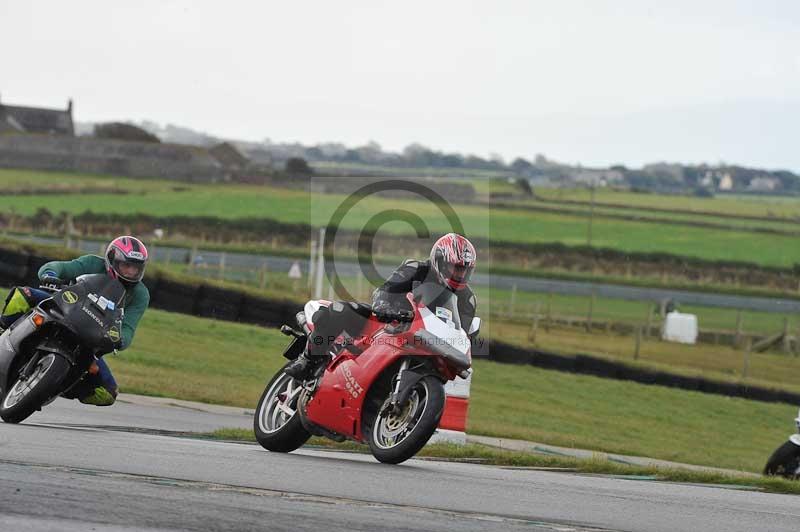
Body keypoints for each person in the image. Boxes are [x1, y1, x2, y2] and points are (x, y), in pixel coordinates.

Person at [284, 233, 478, 380]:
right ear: (440, 261)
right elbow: (386, 290)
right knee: (340, 310)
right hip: (389, 324)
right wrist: (385, 306)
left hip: (427, 345)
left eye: (465, 270)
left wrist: (464, 345)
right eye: (456, 268)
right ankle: (307, 360)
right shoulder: (416, 269)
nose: (460, 275)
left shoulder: (467, 299)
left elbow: (461, 332)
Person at [0, 236, 150, 406]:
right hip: (64, 306)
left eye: (136, 268)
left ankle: (55, 385)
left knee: (107, 394)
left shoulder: (140, 294)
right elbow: (57, 267)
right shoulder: (92, 263)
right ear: (112, 260)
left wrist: (120, 339)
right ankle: (2, 329)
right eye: (126, 265)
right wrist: (50, 275)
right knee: (23, 294)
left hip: (92, 334)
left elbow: (129, 327)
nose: (131, 272)